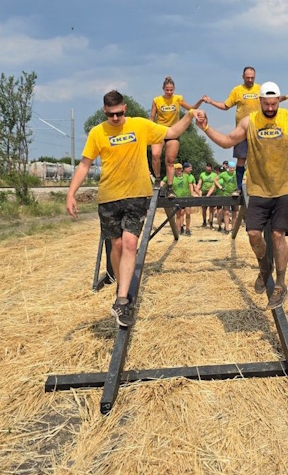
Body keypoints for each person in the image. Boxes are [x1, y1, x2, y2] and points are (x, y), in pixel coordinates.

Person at [67, 90, 198, 326]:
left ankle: (121, 300)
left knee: (129, 243)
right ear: (105, 111)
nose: (115, 119)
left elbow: (171, 132)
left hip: (137, 194)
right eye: (110, 115)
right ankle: (122, 284)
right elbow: (85, 164)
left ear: (124, 108)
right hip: (109, 197)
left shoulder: (140, 125)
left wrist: (190, 115)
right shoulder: (98, 133)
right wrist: (71, 193)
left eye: (118, 114)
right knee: (115, 245)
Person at [196, 81, 288, 309]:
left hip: (285, 188)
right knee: (253, 234)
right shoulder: (250, 121)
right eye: (266, 104)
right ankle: (264, 268)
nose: (270, 108)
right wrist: (206, 128)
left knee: (278, 235)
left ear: (279, 100)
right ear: (260, 102)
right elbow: (229, 140)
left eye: (273, 103)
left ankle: (280, 284)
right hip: (258, 188)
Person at [202, 67, 260, 193]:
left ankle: (258, 186)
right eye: (247, 77)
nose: (250, 80)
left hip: (258, 130)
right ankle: (239, 187)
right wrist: (211, 101)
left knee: (258, 158)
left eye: (252, 77)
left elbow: (272, 99)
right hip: (241, 131)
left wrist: (286, 97)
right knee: (241, 159)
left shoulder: (260, 89)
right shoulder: (237, 90)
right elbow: (225, 106)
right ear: (243, 77)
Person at [149, 76, 203, 190]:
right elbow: (151, 117)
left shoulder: (178, 99)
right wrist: (148, 131)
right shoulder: (157, 100)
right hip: (159, 130)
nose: (169, 92)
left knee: (170, 160)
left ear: (174, 89)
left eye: (171, 90)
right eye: (167, 90)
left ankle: (169, 186)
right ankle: (157, 179)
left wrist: (200, 101)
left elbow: (192, 108)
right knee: (155, 155)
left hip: (173, 131)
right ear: (163, 89)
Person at [168, 162, 195, 236]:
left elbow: (190, 185)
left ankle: (188, 229)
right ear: (175, 170)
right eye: (177, 169)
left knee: (188, 213)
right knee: (179, 215)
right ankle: (178, 230)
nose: (179, 170)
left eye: (180, 169)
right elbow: (163, 182)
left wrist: (192, 193)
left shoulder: (186, 176)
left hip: (187, 197)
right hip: (177, 198)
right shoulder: (172, 177)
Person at [214, 160, 237, 232]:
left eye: (233, 168)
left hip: (235, 194)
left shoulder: (236, 174)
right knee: (226, 212)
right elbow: (215, 179)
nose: (232, 169)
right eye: (230, 168)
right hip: (226, 194)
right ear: (228, 168)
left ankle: (233, 227)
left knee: (234, 212)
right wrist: (220, 187)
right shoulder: (224, 174)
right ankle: (226, 227)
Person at [198, 161, 219, 227]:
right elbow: (199, 183)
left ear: (211, 168)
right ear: (205, 168)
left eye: (209, 168)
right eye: (207, 168)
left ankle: (211, 222)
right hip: (204, 192)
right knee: (204, 209)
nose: (208, 169)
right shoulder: (202, 174)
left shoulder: (214, 175)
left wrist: (209, 193)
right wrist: (197, 189)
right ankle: (204, 221)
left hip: (212, 193)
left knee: (211, 209)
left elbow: (214, 184)